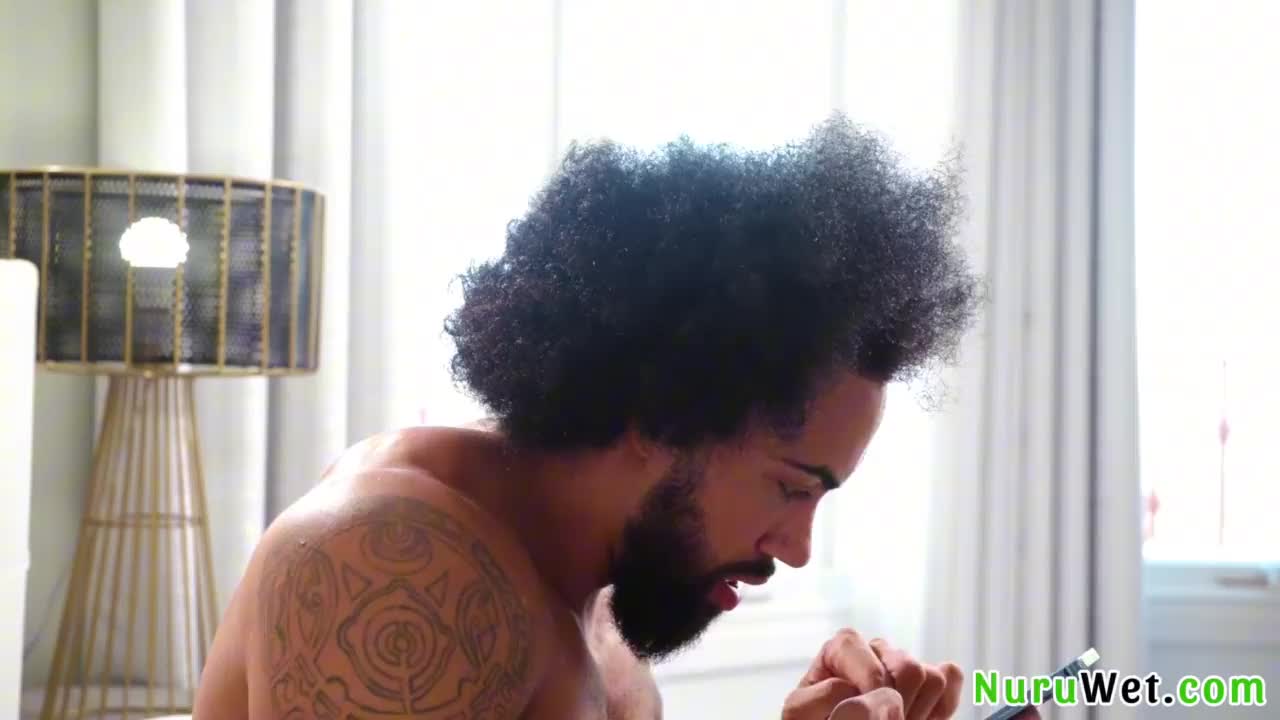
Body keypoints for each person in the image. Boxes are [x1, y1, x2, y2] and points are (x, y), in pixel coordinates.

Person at [194, 113, 1032, 720]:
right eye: (790, 486)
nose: (798, 547)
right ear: (661, 415)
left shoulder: (598, 596)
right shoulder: (395, 561)